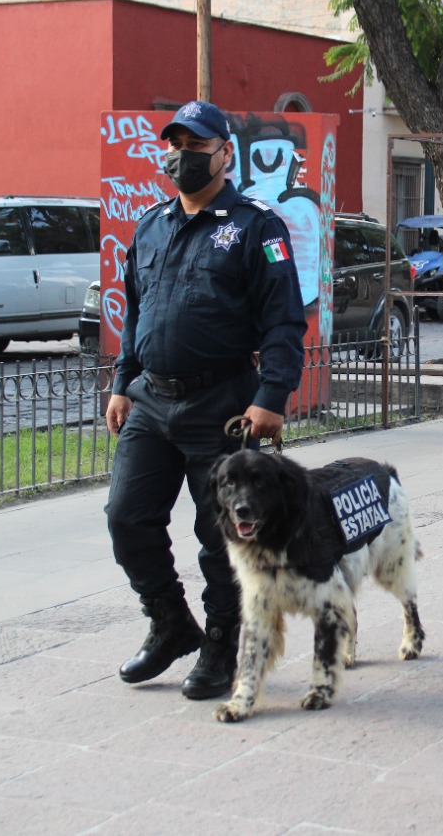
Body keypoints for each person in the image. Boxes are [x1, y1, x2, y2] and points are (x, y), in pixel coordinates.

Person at [105, 101, 307, 700]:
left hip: (222, 404)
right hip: (150, 401)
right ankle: (170, 623)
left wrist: (272, 395)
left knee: (222, 533)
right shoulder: (151, 225)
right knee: (126, 517)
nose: (183, 156)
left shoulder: (254, 225)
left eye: (197, 146)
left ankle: (222, 639)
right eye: (175, 144)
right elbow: (137, 311)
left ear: (224, 153)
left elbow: (283, 320)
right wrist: (122, 382)